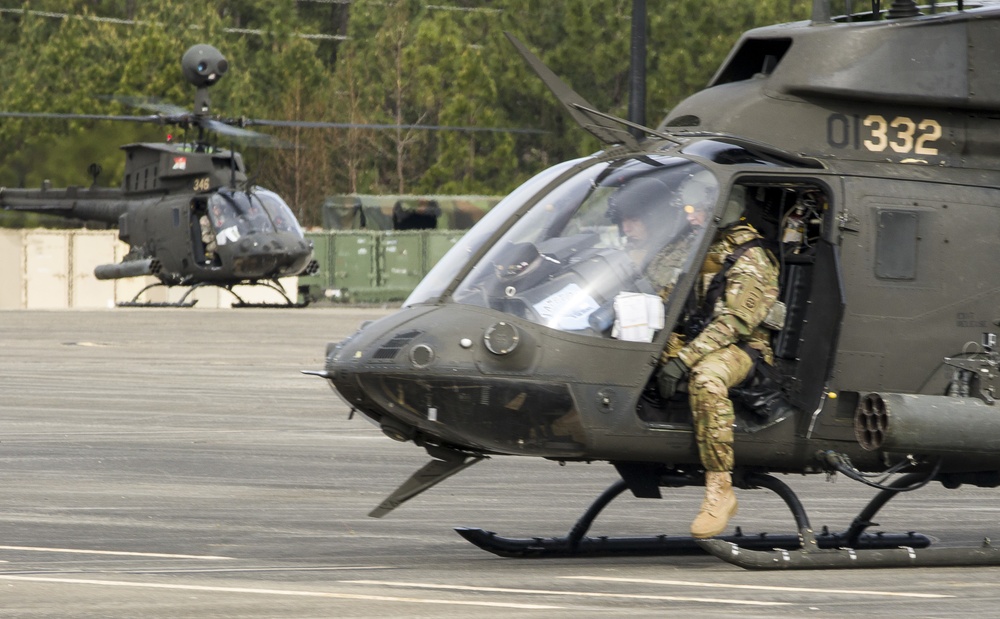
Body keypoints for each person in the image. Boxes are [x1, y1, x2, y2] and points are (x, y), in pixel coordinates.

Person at [657, 196, 780, 539]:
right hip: (700, 340)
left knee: (706, 379)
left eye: (699, 208)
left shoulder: (751, 255)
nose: (691, 215)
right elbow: (662, 285)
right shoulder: (698, 246)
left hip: (743, 348)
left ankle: (719, 488)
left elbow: (735, 324)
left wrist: (684, 359)